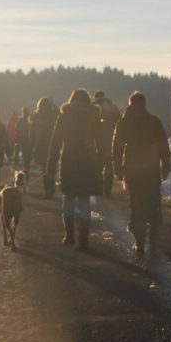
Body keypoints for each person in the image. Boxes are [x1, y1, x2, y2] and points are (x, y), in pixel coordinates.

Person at [112, 91, 171, 258]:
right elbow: (163, 146)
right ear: (144, 104)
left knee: (136, 203)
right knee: (153, 200)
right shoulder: (154, 121)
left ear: (130, 104)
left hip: (132, 169)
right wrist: (166, 165)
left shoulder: (123, 123)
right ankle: (153, 235)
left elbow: (116, 148)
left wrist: (117, 168)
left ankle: (139, 241)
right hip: (151, 168)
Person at [46, 89, 105, 249]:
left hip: (69, 161)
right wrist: (102, 163)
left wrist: (50, 167)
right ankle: (84, 239)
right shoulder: (93, 116)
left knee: (69, 197)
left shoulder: (64, 116)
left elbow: (55, 143)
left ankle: (70, 235)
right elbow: (101, 143)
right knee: (85, 199)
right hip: (88, 161)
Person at [94, 90, 122, 197]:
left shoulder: (93, 108)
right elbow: (120, 122)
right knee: (109, 166)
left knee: (98, 167)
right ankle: (108, 189)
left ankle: (98, 188)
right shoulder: (113, 108)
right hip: (111, 141)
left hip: (97, 142)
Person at [30, 97, 59, 198]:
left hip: (40, 146)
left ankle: (47, 189)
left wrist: (32, 145)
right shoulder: (53, 116)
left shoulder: (36, 117)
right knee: (52, 168)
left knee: (44, 169)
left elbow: (32, 134)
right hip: (53, 145)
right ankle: (51, 185)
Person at [15, 106, 32, 177]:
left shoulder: (21, 120)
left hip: (23, 139)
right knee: (27, 155)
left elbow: (17, 129)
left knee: (24, 154)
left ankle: (23, 166)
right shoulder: (29, 120)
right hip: (28, 140)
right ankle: (26, 167)